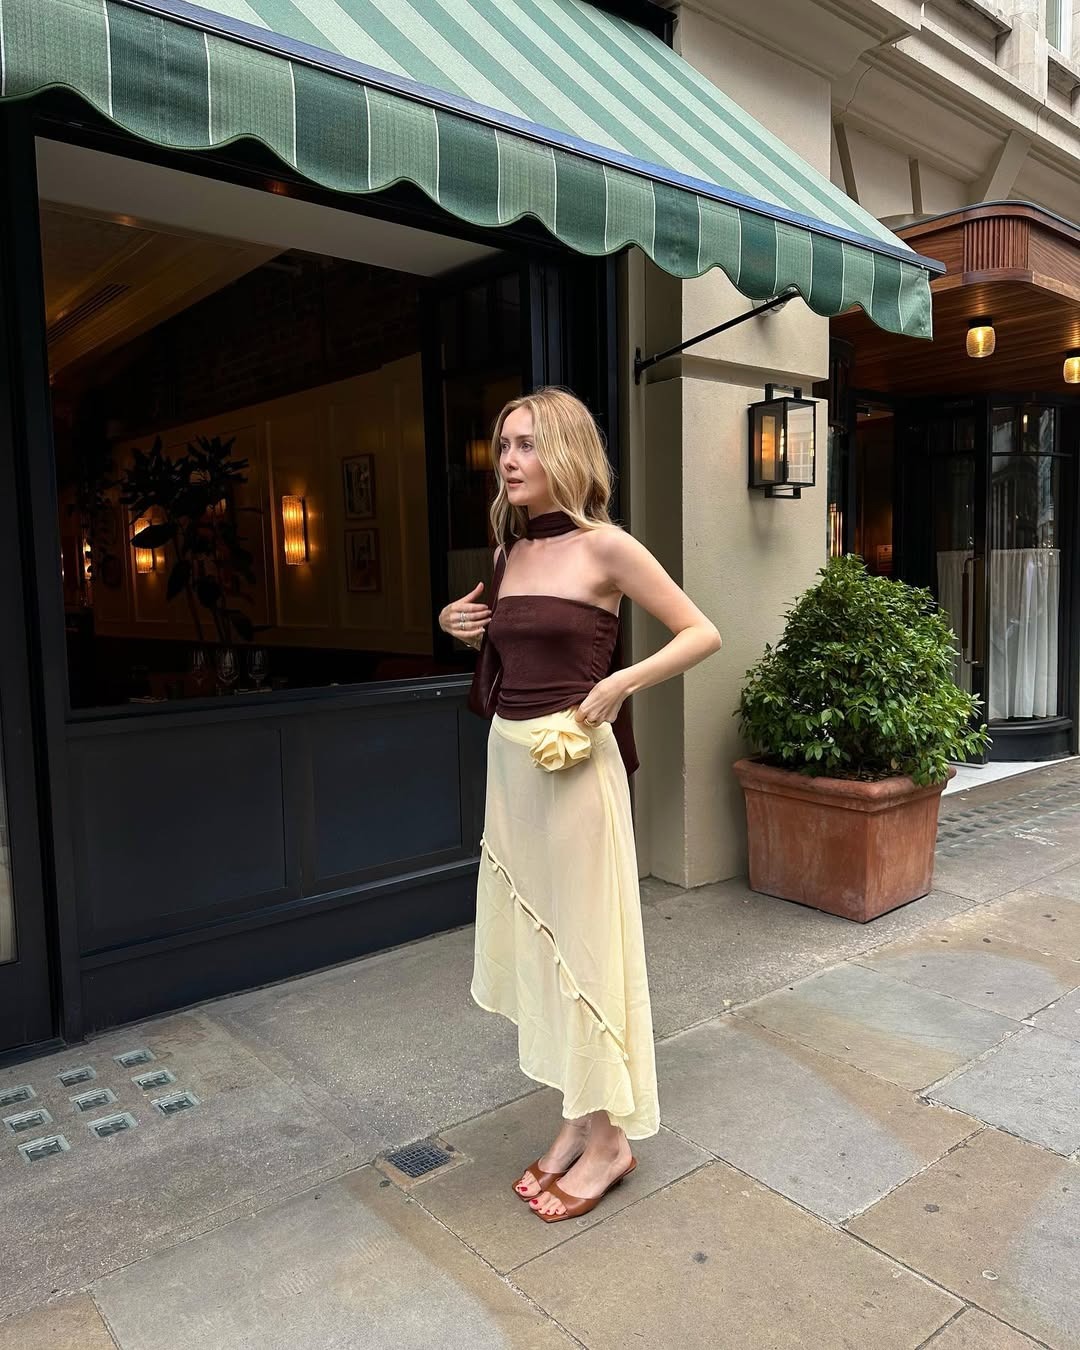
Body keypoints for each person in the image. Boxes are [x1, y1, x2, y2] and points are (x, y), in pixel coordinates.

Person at [438, 388, 722, 1222]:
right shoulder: (507, 550)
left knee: (584, 947)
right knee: (543, 942)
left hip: (575, 770)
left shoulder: (610, 548)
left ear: (565, 452)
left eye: (526, 444)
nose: (510, 461)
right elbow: (503, 639)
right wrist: (457, 620)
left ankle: (609, 1144)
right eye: (503, 445)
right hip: (513, 767)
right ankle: (578, 1114)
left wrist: (621, 683)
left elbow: (699, 631)